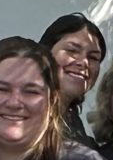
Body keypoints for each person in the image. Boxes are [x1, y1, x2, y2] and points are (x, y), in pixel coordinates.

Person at [41, 14, 108, 143]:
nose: (83, 62)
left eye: (93, 57)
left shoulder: (72, 121)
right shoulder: (23, 114)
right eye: (72, 50)